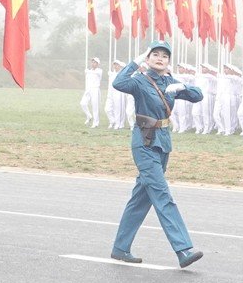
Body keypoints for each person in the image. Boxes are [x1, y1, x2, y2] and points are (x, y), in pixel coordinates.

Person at [109, 42, 203, 268]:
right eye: (155, 55)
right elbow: (118, 83)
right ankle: (183, 249)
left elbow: (197, 96)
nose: (160, 58)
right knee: (162, 195)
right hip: (144, 142)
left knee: (141, 198)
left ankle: (120, 248)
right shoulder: (140, 81)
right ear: (148, 58)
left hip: (163, 142)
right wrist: (135, 62)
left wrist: (181, 87)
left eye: (164, 56)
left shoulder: (169, 81)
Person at [80, 57, 102, 128]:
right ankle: (89, 116)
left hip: (95, 89)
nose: (93, 64)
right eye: (92, 62)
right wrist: (87, 72)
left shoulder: (99, 71)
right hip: (88, 89)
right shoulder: (88, 71)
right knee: (83, 103)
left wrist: (88, 71)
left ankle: (96, 123)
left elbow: (96, 73)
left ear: (98, 64)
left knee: (95, 106)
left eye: (95, 62)